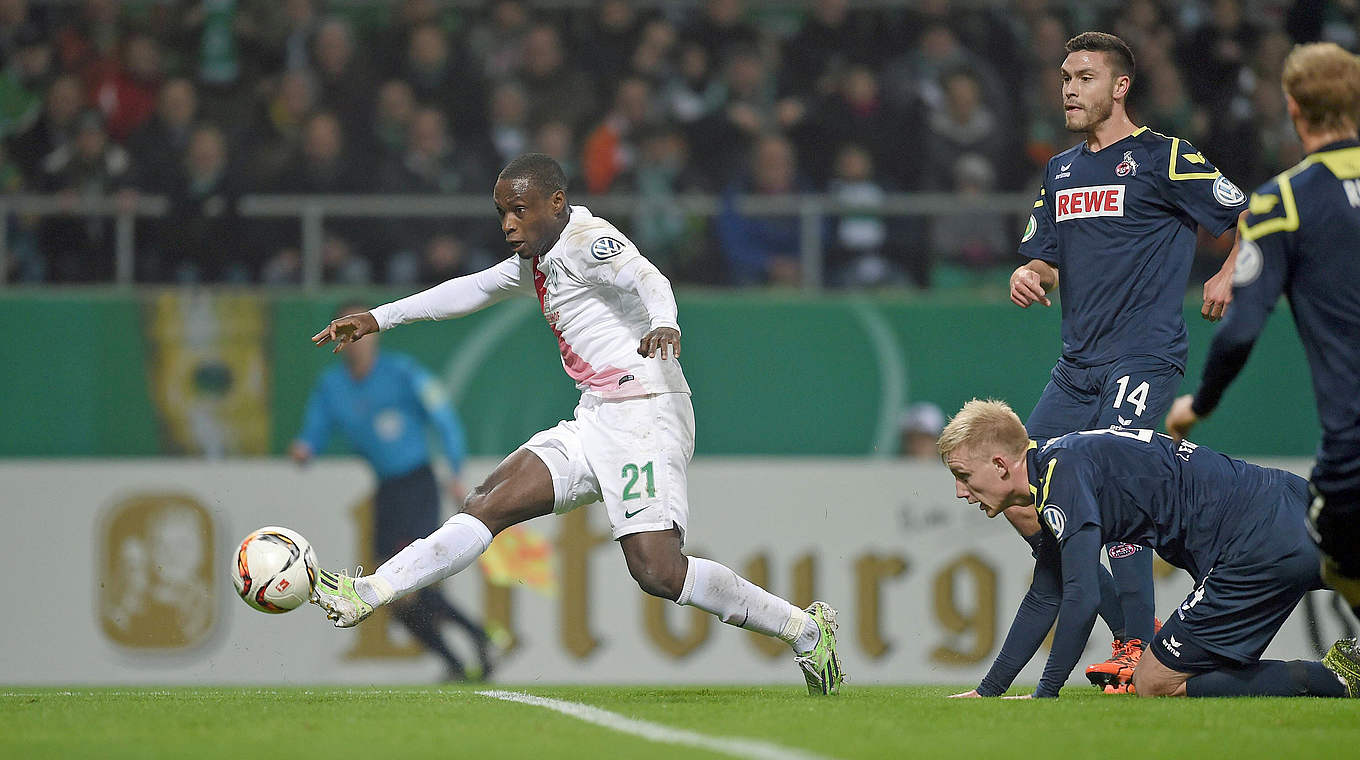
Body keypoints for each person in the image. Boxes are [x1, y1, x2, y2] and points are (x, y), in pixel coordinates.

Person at [308, 153, 844, 695]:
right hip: (596, 416)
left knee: (657, 570)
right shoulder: (538, 259)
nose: (508, 225)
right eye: (501, 213)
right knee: (484, 504)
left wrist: (664, 322)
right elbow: (470, 289)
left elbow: (646, 276)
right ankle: (369, 592)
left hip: (645, 412)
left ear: (556, 202)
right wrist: (378, 317)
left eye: (518, 210)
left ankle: (802, 629)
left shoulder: (589, 241)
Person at [1007, 31, 1247, 688]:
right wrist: (1030, 274)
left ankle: (1137, 644)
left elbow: (1247, 216)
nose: (1068, 88)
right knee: (1024, 493)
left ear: (1119, 87)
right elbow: (1042, 253)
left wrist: (1228, 271)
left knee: (1115, 486)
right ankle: (1132, 630)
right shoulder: (1060, 171)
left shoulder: (1164, 157)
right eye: (1065, 76)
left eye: (1084, 76)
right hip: (1076, 367)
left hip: (1142, 359)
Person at [939, 398, 1360, 699]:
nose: (960, 491)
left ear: (999, 464)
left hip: (1249, 546)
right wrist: (989, 691)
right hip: (1281, 496)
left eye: (962, 474)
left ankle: (1335, 678)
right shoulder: (1061, 461)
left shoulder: (1061, 478)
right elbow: (1049, 590)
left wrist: (1045, 695)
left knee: (1155, 681)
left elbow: (1083, 597)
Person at [1165, 43, 1360, 642]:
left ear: (1294, 109)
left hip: (1353, 444)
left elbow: (1242, 328)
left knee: (1336, 551)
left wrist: (1198, 405)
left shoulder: (1285, 201)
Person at [291, 302, 494, 681]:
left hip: (417, 484)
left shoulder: (402, 373)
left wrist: (454, 470)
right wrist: (306, 447)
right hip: (387, 491)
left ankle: (477, 638)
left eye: (361, 332)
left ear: (372, 334)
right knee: (386, 592)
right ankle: (458, 658)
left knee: (406, 579)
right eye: (347, 333)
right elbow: (315, 428)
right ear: (338, 337)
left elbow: (443, 417)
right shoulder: (333, 387)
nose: (357, 342)